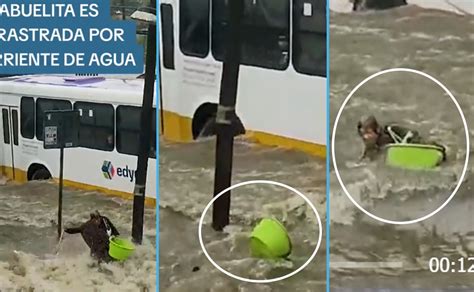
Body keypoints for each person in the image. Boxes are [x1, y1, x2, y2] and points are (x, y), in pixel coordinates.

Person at [357, 115, 446, 162]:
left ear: (376, 130)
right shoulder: (371, 145)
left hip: (411, 143)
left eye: (368, 133)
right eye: (363, 134)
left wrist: (407, 144)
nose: (365, 137)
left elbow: (412, 134)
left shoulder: (391, 130)